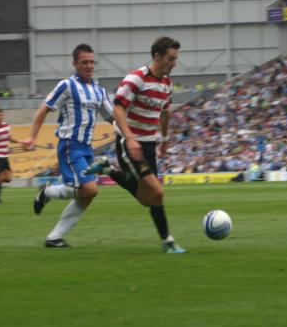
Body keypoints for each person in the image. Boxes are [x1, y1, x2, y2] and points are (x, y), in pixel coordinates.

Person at [21, 43, 114, 248]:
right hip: (70, 146)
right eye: (84, 62)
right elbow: (43, 109)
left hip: (87, 148)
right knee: (89, 189)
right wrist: (32, 137)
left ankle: (54, 237)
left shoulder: (99, 91)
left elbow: (113, 117)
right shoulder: (67, 85)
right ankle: (47, 192)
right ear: (75, 63)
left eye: (91, 62)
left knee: (88, 195)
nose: (89, 66)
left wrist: (131, 135)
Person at [105, 36, 186, 254]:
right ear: (157, 56)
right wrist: (130, 138)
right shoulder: (137, 78)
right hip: (129, 143)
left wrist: (165, 139)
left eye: (176, 59)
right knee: (157, 193)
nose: (174, 64)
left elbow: (165, 111)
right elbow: (117, 108)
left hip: (149, 145)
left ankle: (107, 170)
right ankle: (167, 241)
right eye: (170, 59)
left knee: (145, 199)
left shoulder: (166, 84)